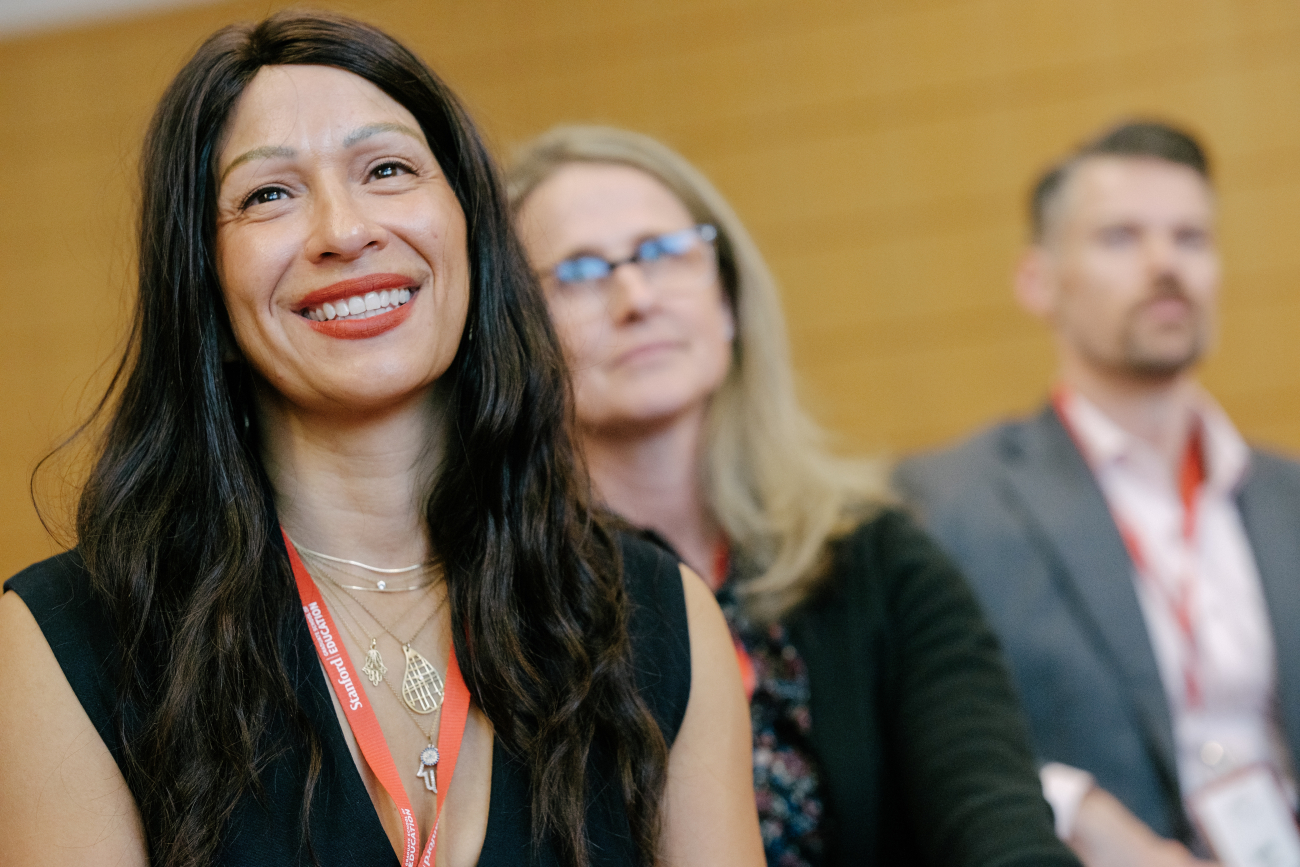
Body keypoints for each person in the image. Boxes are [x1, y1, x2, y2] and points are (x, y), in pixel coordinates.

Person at [0, 13, 764, 867]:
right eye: (268, 195)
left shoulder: (652, 613)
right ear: (204, 291)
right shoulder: (71, 644)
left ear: (470, 231)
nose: (345, 229)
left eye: (388, 169)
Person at [506, 125, 1080, 867]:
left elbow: (992, 815)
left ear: (727, 299)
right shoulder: (505, 598)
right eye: (579, 272)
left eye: (662, 252)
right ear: (515, 335)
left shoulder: (874, 556)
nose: (635, 297)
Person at [895, 121, 1300, 867]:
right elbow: (916, 742)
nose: (1165, 264)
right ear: (1038, 282)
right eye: (1120, 238)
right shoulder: (947, 503)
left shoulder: (1287, 495)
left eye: (1191, 238)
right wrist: (1078, 812)